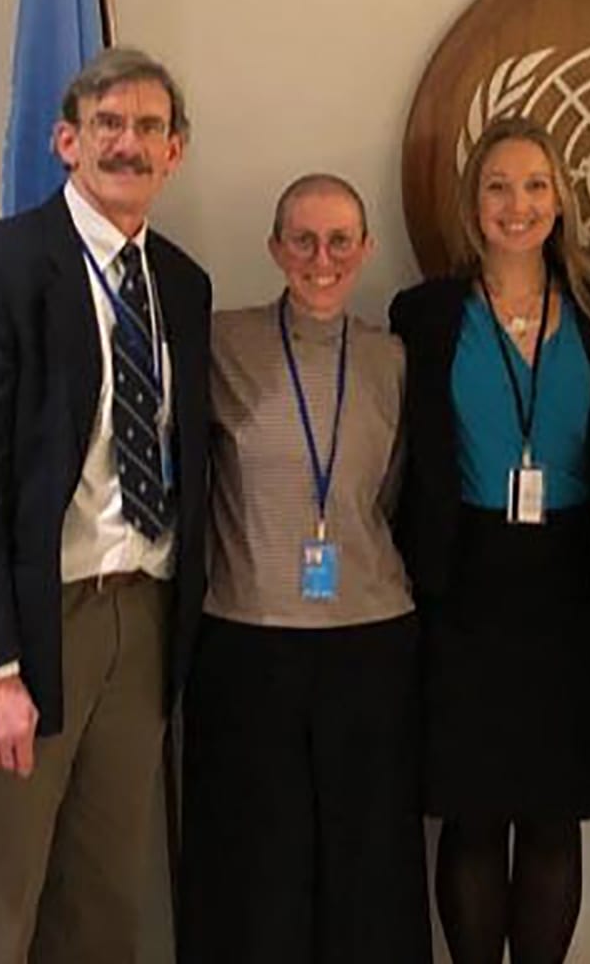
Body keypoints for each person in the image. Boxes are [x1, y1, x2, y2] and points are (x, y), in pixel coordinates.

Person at [0, 47, 212, 963]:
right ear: (66, 140)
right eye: (108, 125)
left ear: (177, 151)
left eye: (149, 128)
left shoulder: (182, 283)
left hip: (143, 615)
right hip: (31, 629)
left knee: (106, 905)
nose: (128, 144)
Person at [389, 116, 590, 964]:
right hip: (463, 585)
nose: (516, 205)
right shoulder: (424, 315)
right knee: (473, 807)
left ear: (560, 200)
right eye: (498, 187)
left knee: (554, 811)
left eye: (533, 186)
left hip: (570, 589)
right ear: (472, 203)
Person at [176, 174, 430, 963]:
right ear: (276, 248)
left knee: (368, 866)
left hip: (370, 641)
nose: (322, 259)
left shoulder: (393, 361)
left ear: (366, 250)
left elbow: (390, 496)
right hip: (248, 643)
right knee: (256, 866)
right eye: (304, 240)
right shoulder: (220, 344)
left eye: (340, 241)